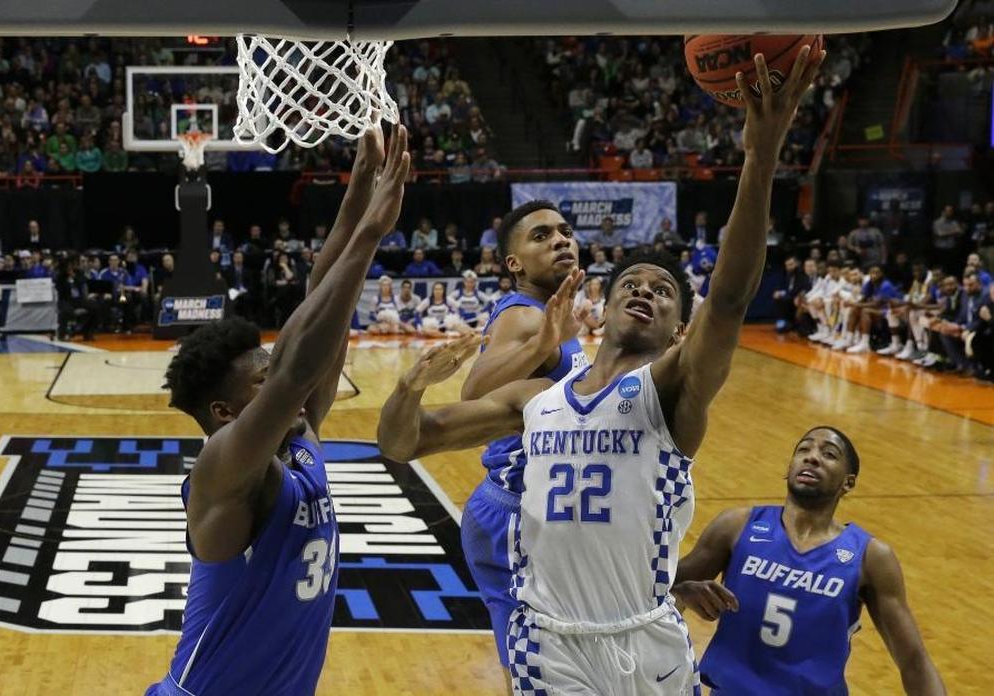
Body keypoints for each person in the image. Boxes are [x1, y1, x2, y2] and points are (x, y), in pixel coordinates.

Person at [376, 47, 825, 694]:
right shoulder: (540, 396)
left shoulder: (671, 390)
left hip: (649, 638)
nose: (646, 289)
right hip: (552, 645)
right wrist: (411, 384)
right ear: (606, 303)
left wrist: (759, 156)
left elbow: (729, 297)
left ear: (678, 332)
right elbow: (402, 441)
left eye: (664, 290)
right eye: (633, 282)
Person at [146, 126, 410, 696]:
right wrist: (370, 233)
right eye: (259, 381)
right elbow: (293, 372)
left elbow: (319, 303)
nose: (279, 384)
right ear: (223, 410)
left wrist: (359, 186)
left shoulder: (298, 434)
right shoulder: (224, 465)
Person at [672, 427, 946, 696]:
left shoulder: (870, 557)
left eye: (829, 454)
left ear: (848, 482)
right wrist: (681, 592)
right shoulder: (736, 526)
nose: (812, 457)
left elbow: (913, 661)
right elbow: (653, 591)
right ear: (788, 469)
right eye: (804, 449)